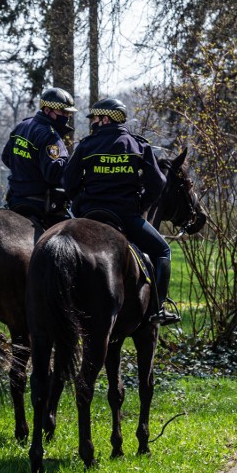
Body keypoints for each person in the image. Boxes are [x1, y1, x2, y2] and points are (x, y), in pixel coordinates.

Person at [61, 97, 179, 326]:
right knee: (163, 251)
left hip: (90, 214)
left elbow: (68, 181)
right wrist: (141, 206)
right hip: (125, 216)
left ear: (106, 118)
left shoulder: (86, 145)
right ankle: (157, 310)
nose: (93, 123)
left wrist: (81, 201)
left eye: (95, 118)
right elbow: (159, 183)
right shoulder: (138, 146)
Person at [1, 87, 75, 226]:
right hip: (41, 204)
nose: (67, 116)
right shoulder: (50, 136)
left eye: (68, 113)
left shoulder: (22, 126)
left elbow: (6, 157)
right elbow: (53, 174)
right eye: (63, 112)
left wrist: (25, 172)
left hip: (16, 199)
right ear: (47, 110)